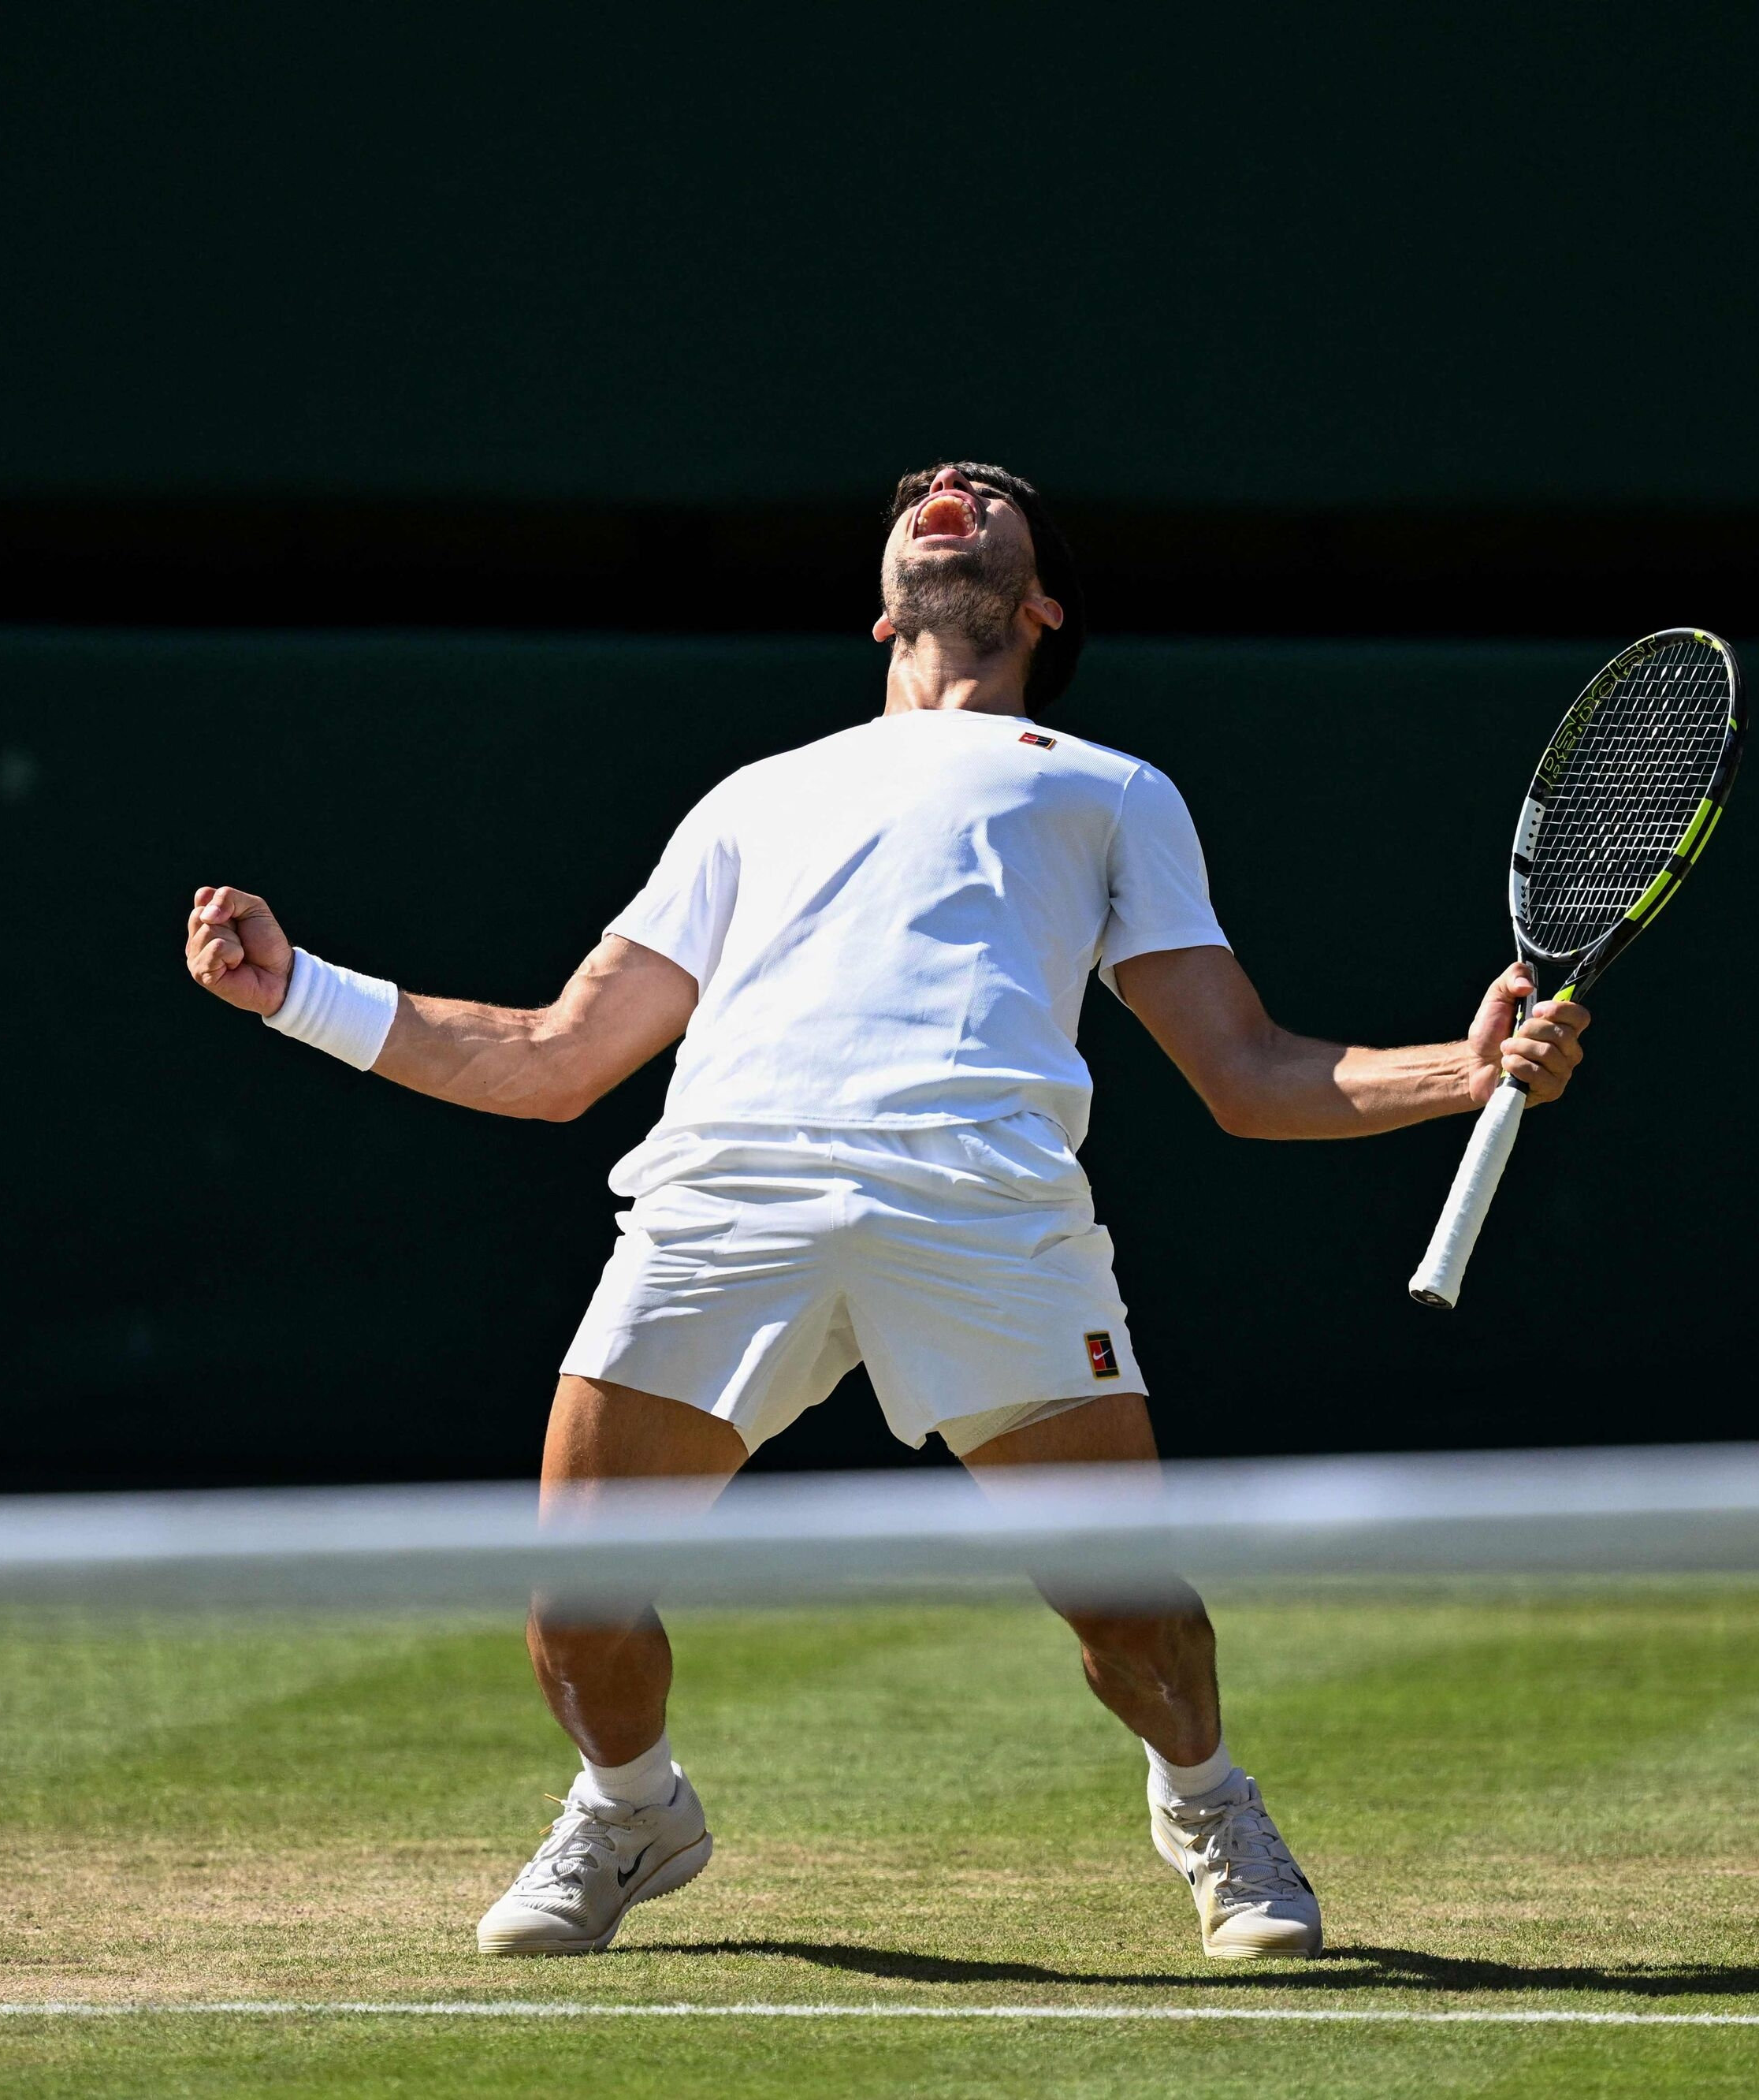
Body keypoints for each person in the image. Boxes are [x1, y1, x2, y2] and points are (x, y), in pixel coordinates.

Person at [183, 462, 1591, 1961]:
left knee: (1138, 1621)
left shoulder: (1109, 788)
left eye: (993, 498)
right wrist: (298, 997)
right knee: (575, 1613)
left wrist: (1468, 1064)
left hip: (985, 1207)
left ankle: (1206, 1803)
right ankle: (632, 1809)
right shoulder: (754, 796)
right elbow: (552, 1058)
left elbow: (1244, 1073)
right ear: (878, 609)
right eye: (929, 490)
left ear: (1040, 601)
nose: (952, 489)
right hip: (725, 1200)